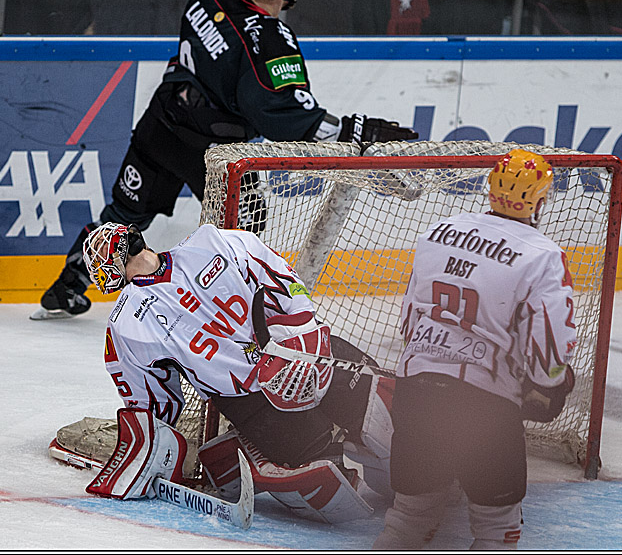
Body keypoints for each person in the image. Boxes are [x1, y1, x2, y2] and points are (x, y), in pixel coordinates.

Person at [31, 0, 417, 321]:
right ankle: (226, 313)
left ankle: (66, 286)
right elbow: (288, 118)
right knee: (242, 233)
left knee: (122, 216)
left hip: (162, 121)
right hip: (213, 150)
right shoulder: (270, 41)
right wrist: (354, 129)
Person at [80, 221, 395, 523]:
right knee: (335, 485)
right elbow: (153, 406)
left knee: (388, 428)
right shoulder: (131, 316)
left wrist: (301, 328)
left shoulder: (207, 244)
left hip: (299, 356)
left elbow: (275, 272)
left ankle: (267, 447)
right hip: (255, 403)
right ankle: (252, 450)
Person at [373, 148, 577, 550]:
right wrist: (551, 385)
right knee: (497, 531)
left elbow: (410, 318)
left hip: (417, 391)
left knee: (408, 520)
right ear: (539, 200)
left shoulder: (439, 231)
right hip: (485, 408)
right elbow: (550, 349)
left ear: (491, 189)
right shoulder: (543, 256)